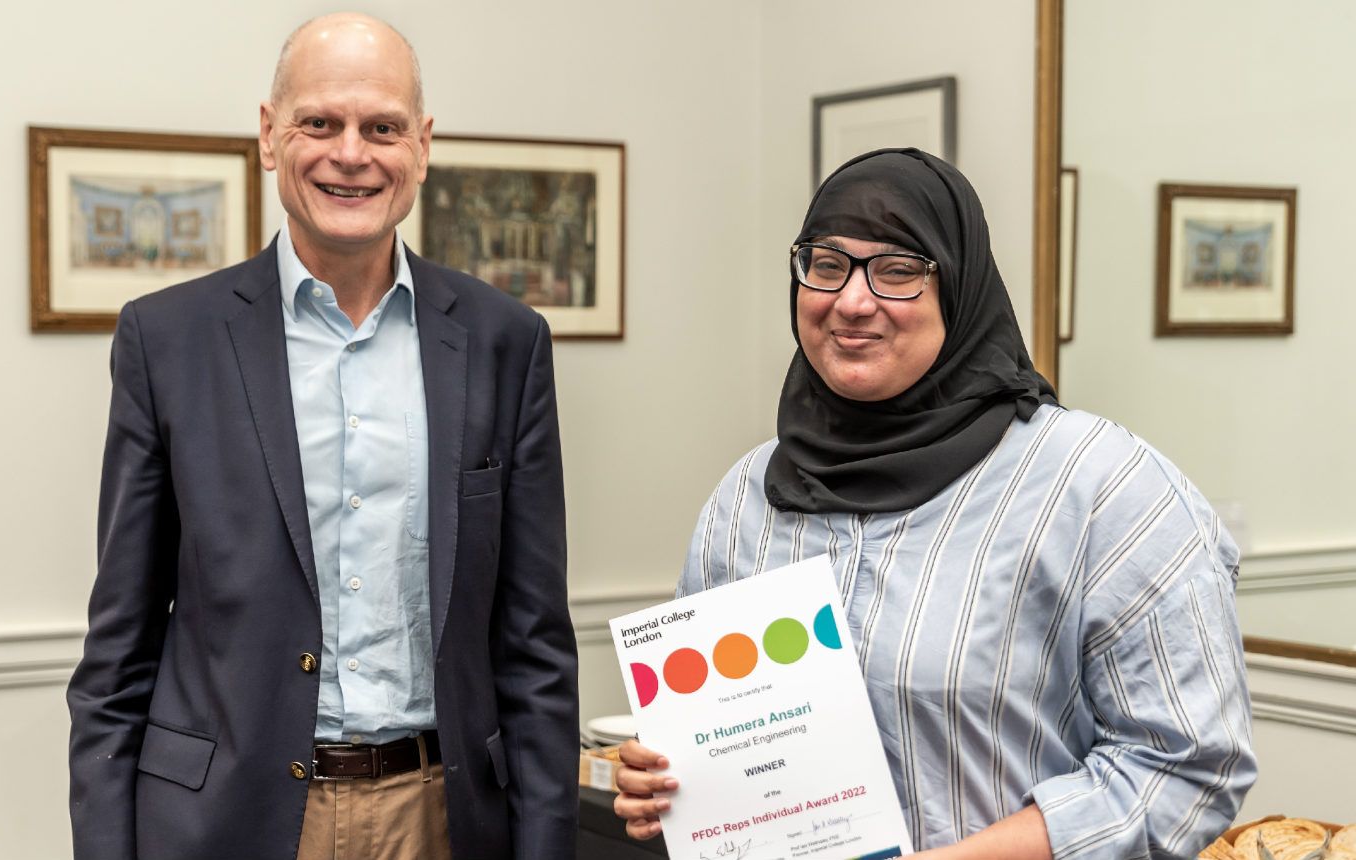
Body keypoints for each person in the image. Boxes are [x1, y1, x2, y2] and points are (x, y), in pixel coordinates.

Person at [613, 149, 1256, 859]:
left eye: (897, 271)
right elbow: (708, 741)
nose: (852, 301)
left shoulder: (1100, 489)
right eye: (827, 264)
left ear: (959, 287)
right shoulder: (745, 498)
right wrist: (665, 778)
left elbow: (1188, 767)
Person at [66, 13, 578, 860]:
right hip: (227, 820)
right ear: (270, 135)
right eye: (320, 122)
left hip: (443, 818)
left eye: (383, 127)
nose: (352, 154)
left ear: (422, 145)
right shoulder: (168, 341)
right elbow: (118, 651)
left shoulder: (504, 341)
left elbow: (534, 647)